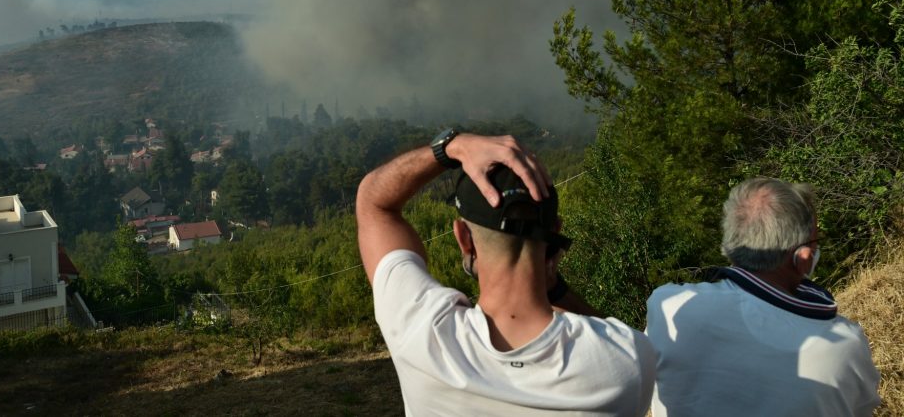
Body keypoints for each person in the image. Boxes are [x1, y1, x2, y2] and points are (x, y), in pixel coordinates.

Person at [356, 129, 656, 416]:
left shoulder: (420, 332)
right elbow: (608, 337)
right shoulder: (626, 362)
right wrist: (555, 288)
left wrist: (450, 146)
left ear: (464, 239)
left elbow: (374, 203)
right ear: (554, 233)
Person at [645, 177, 881, 416]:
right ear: (804, 255)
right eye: (815, 241)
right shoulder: (846, 346)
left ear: (731, 241)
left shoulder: (667, 306)